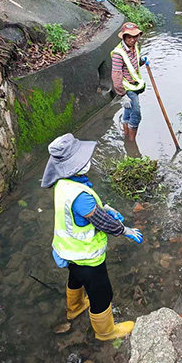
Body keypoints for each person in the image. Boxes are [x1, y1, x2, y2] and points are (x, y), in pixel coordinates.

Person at [41, 133, 143, 341]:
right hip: (87, 256)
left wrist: (104, 208)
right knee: (101, 293)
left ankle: (75, 308)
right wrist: (125, 230)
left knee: (75, 278)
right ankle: (106, 332)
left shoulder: (63, 184)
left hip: (68, 250)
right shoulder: (81, 197)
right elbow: (103, 223)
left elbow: (84, 213)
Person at [111, 22, 149, 142]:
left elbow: (133, 63)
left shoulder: (135, 46)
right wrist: (123, 96)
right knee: (136, 114)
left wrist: (142, 61)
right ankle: (132, 142)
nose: (132, 40)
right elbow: (116, 76)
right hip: (127, 89)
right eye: (129, 37)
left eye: (135, 36)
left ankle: (126, 136)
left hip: (135, 85)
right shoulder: (118, 53)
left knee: (128, 111)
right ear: (124, 37)